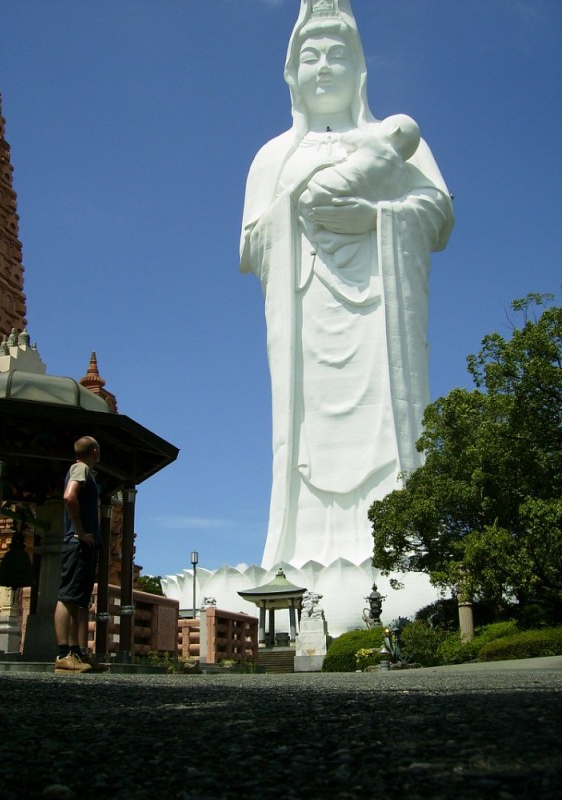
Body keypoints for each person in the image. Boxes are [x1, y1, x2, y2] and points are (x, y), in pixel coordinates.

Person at [239, 0, 454, 570]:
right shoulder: (274, 156)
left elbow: (436, 213)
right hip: (306, 314)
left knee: (392, 422)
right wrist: (297, 208)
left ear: (361, 70)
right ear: (292, 73)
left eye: (339, 54)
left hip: (382, 317)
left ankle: (410, 552)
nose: (325, 66)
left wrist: (379, 216)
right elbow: (250, 244)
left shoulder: (394, 140)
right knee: (303, 431)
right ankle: (292, 551)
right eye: (311, 56)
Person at [54, 436, 101, 672]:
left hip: (85, 544)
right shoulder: (80, 468)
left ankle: (77, 652)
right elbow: (69, 496)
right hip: (77, 542)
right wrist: (80, 532)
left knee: (79, 601)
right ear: (94, 451)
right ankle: (63, 654)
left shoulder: (86, 471)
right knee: (68, 596)